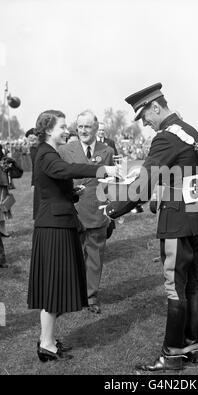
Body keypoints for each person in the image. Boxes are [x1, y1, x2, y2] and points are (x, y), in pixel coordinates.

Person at [103, 83, 198, 372]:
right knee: (191, 286)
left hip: (177, 223)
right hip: (197, 218)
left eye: (144, 116)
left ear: (155, 107)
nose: (145, 124)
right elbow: (188, 175)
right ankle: (191, 348)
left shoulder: (165, 138)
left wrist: (114, 209)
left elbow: (143, 184)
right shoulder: (190, 130)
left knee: (175, 289)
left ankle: (171, 355)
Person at [27, 110, 117, 361]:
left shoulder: (49, 153)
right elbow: (66, 170)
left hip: (59, 223)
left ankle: (49, 340)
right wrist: (101, 170)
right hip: (54, 228)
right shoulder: (47, 153)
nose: (67, 131)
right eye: (62, 127)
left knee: (55, 287)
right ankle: (46, 344)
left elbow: (55, 185)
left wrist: (72, 193)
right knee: (52, 288)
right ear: (48, 131)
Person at [59, 110, 115, 314]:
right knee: (71, 257)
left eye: (88, 126)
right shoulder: (65, 150)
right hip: (73, 211)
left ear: (96, 127)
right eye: (80, 126)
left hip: (97, 212)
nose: (83, 130)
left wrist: (112, 211)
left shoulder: (107, 151)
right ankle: (70, 294)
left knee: (94, 258)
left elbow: (110, 184)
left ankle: (91, 297)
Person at [0, 144, 23, 268]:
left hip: (2, 188)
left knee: (2, 210)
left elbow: (18, 172)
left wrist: (10, 163)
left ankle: (2, 260)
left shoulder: (5, 161)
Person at [25, 128, 39, 218]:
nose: (32, 142)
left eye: (33, 139)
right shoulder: (33, 150)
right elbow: (35, 167)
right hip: (38, 178)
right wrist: (33, 183)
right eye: (30, 140)